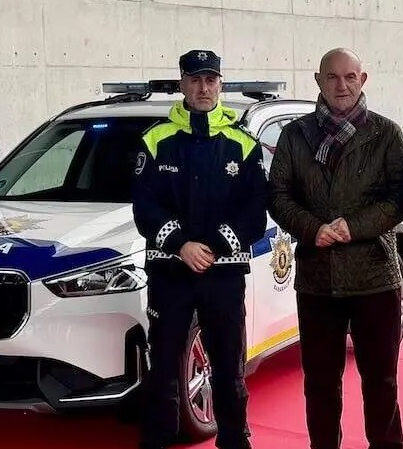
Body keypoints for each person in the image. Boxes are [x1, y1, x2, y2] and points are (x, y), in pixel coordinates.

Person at [267, 48, 403, 449]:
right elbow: (278, 195)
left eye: (350, 77)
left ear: (363, 80)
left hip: (375, 278)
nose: (341, 85)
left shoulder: (386, 134)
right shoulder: (295, 135)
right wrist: (313, 229)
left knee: (382, 383)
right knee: (320, 385)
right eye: (332, 77)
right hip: (316, 280)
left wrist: (354, 227)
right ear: (318, 81)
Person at [131, 49, 268, 449]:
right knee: (164, 372)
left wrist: (209, 246)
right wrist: (181, 245)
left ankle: (234, 441)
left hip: (223, 278)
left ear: (221, 84)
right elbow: (145, 208)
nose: (203, 88)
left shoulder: (243, 145)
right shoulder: (155, 141)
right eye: (195, 80)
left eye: (210, 80)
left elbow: (254, 214)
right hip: (169, 275)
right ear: (182, 84)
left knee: (228, 371)